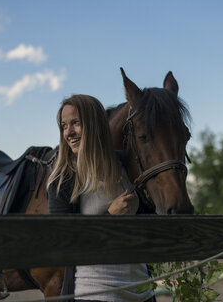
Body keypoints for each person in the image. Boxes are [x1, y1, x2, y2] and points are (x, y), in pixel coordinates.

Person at [47, 94, 155, 302]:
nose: (68, 132)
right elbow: (62, 244)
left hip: (142, 292)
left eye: (76, 123)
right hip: (96, 293)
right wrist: (110, 216)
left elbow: (149, 223)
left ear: (95, 124)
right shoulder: (63, 180)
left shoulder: (125, 166)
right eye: (64, 126)